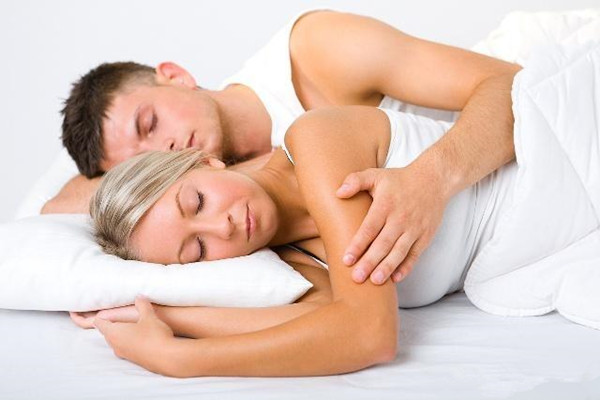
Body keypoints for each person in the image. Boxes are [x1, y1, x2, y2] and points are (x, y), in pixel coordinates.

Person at [45, 9, 520, 287]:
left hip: (528, 120)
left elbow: (510, 84)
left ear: (175, 76)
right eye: (144, 159)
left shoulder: (315, 53)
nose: (163, 146)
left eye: (149, 122)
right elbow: (53, 207)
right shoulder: (229, 195)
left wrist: (431, 180)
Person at [71, 105, 517, 377]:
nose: (222, 228)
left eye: (198, 202)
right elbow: (317, 329)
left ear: (206, 161)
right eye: (198, 250)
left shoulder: (316, 142)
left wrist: (178, 359)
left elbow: (370, 334)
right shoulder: (296, 265)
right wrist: (164, 315)